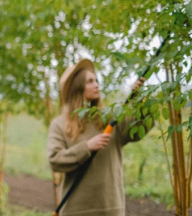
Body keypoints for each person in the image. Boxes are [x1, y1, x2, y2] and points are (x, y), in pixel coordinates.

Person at [47, 59, 151, 216]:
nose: (96, 85)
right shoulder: (60, 124)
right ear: (77, 87)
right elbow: (55, 160)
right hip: (75, 210)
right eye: (90, 81)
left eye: (96, 80)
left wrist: (140, 100)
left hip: (110, 208)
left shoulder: (109, 118)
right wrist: (86, 147)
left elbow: (137, 131)